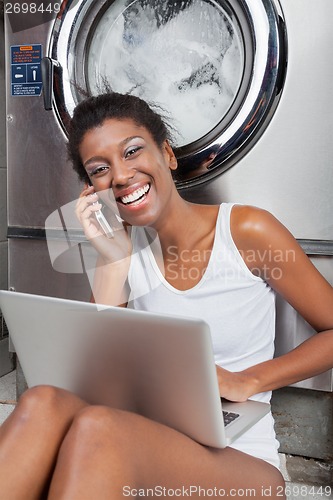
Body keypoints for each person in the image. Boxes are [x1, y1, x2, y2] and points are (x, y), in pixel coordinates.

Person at [0, 92, 332, 499]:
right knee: (42, 402)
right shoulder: (119, 253)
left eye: (132, 151)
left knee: (99, 428)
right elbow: (87, 384)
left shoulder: (247, 231)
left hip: (239, 461)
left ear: (168, 155)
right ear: (93, 190)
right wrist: (114, 262)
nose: (120, 176)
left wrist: (249, 379)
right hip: (138, 439)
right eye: (100, 169)